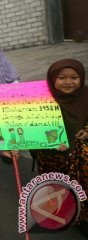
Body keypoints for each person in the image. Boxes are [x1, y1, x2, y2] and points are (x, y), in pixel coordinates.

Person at [30, 59, 88, 238]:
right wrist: (50, 141)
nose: (68, 82)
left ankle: (82, 218)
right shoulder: (42, 99)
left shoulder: (86, 95)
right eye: (62, 77)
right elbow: (32, 125)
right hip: (51, 154)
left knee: (82, 185)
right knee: (57, 185)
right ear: (52, 78)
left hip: (79, 154)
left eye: (74, 77)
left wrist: (86, 130)